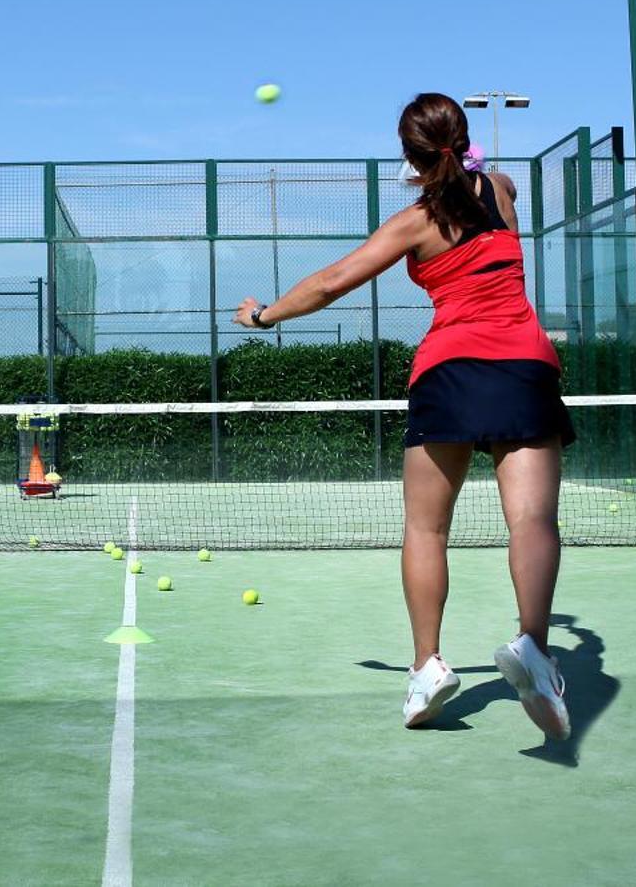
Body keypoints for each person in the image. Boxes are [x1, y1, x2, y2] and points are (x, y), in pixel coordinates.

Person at [233, 92, 572, 736]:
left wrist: (263, 315)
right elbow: (482, 180)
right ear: (464, 141)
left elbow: (333, 282)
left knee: (426, 529)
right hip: (526, 366)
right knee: (532, 519)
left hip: (449, 370)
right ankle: (534, 643)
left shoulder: (413, 223)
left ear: (409, 155)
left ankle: (427, 669)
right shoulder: (501, 189)